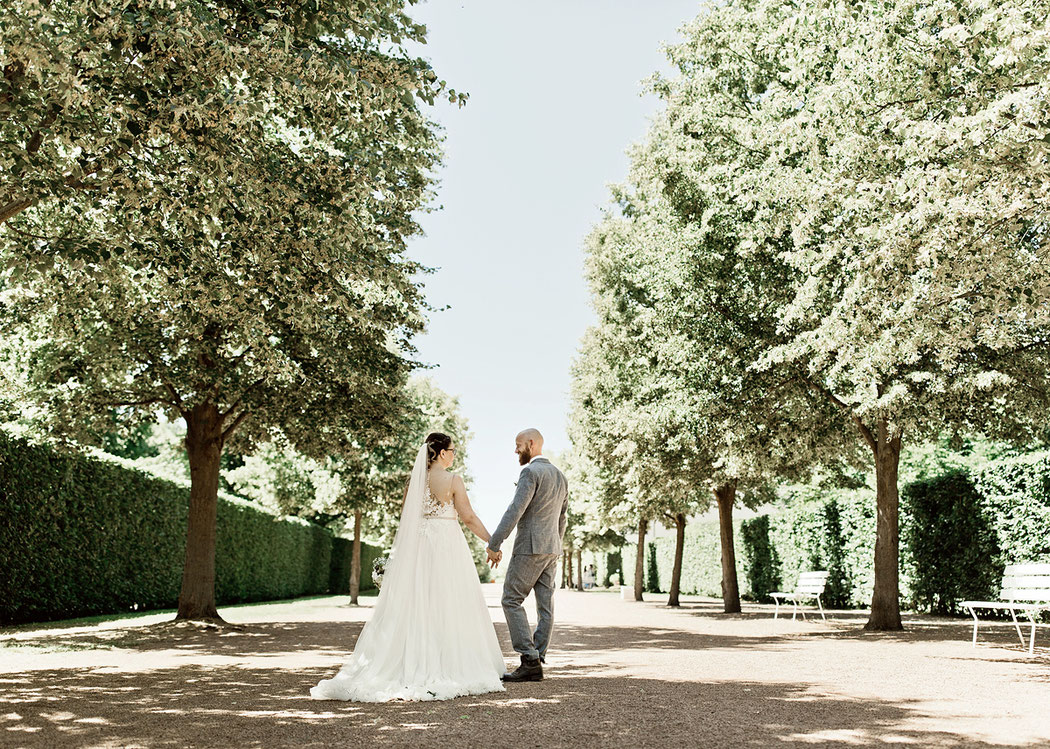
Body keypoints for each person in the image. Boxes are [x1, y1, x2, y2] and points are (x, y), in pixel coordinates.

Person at [310, 432, 505, 702]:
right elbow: (469, 517)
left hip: (420, 549)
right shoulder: (453, 480)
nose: (454, 454)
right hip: (447, 546)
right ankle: (450, 663)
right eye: (452, 450)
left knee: (417, 602)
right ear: (439, 452)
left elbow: (407, 521)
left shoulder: (415, 482)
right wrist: (492, 543)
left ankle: (409, 660)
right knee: (449, 600)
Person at [486, 428, 569, 682]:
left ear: (531, 444)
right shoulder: (560, 476)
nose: (516, 450)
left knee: (511, 600)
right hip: (552, 548)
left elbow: (515, 510)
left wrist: (495, 542)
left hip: (529, 548)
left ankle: (530, 659)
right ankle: (538, 655)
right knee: (546, 606)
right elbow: (562, 517)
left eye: (519, 445)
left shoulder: (530, 472)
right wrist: (555, 544)